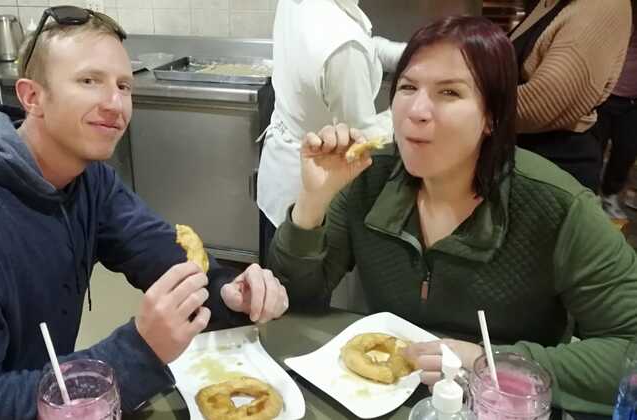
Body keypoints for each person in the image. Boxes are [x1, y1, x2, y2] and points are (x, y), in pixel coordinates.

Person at [0, 7, 288, 419]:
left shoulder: (88, 180)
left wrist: (226, 289)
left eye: (124, 86)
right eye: (89, 80)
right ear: (32, 96)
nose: (115, 104)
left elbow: (165, 257)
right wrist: (140, 351)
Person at [267, 15, 637, 415]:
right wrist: (312, 202)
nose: (418, 110)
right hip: (375, 402)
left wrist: (485, 362)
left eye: (449, 92)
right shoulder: (368, 178)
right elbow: (296, 299)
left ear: (492, 116)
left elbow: (628, 346)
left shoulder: (558, 206)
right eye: (408, 87)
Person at [256, 0, 406, 262]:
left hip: (277, 176)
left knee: (274, 273)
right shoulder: (343, 48)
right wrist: (410, 110)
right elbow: (360, 139)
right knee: (297, 289)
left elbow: (363, 45)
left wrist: (417, 53)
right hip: (310, 196)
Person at [508, 0, 632, 191]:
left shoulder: (603, 5)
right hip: (518, 150)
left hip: (551, 164)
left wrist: (465, 107)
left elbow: (547, 100)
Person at [597, 9, 637, 219]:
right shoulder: (620, 17)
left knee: (627, 150)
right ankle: (591, 193)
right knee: (595, 149)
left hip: (632, 102)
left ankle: (610, 194)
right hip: (605, 96)